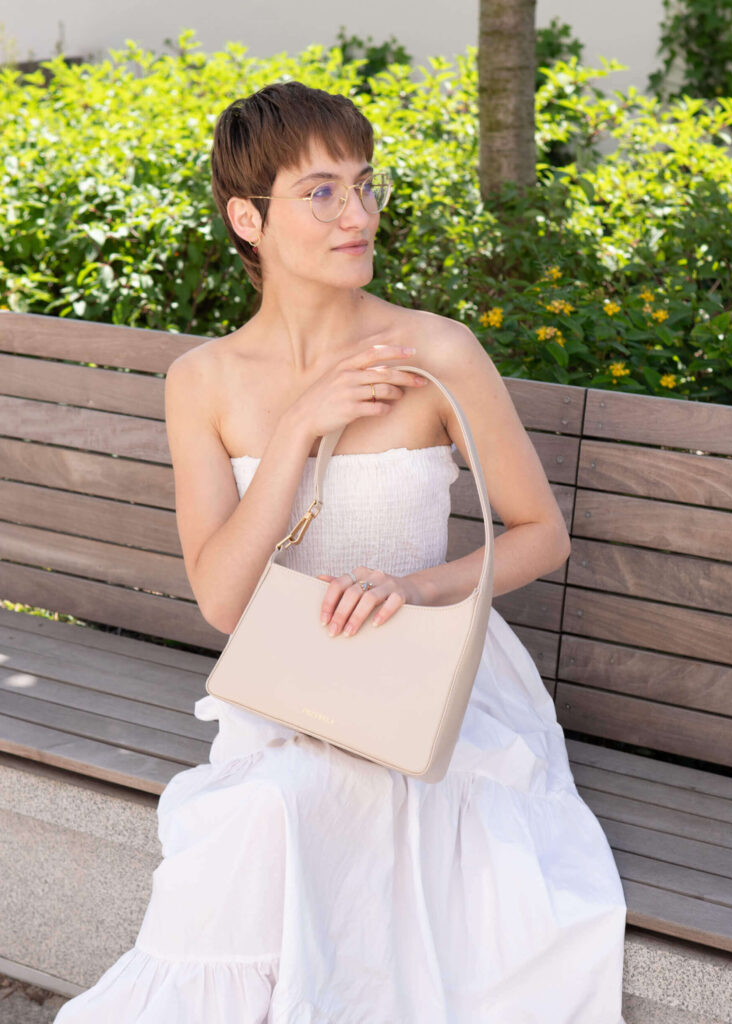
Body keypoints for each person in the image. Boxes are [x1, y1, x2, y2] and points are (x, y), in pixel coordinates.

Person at [54, 81, 627, 1023]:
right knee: (270, 806)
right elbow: (223, 603)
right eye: (320, 193)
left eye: (364, 185)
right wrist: (297, 431)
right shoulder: (202, 381)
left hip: (435, 679)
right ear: (248, 218)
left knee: (274, 813)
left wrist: (416, 588)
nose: (357, 215)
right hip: (290, 686)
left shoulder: (437, 353)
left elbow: (541, 533)